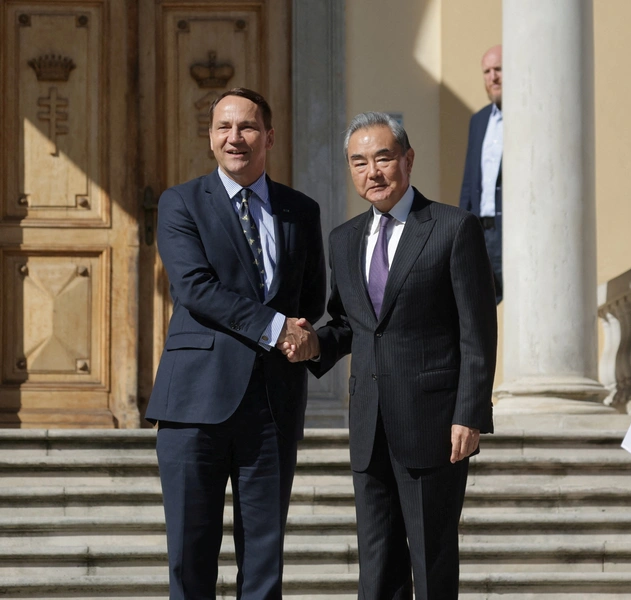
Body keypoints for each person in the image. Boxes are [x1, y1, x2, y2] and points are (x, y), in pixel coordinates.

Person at [287, 112, 497, 599]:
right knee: (377, 565)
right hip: (368, 425)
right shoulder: (344, 239)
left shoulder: (453, 228)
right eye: (359, 162)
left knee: (431, 560)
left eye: (383, 158)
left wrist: (469, 413)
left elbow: (477, 332)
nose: (372, 172)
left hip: (434, 425)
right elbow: (350, 324)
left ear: (408, 159)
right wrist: (315, 343)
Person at [146, 87, 326, 600]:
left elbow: (310, 298)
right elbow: (194, 288)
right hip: (194, 405)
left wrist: (304, 337)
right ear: (210, 138)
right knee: (191, 561)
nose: (235, 137)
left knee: (265, 567)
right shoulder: (181, 202)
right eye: (223, 127)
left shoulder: (301, 210)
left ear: (269, 136)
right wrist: (276, 329)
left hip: (272, 406)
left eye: (247, 126)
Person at [459, 44, 503, 304]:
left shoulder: (527, 117)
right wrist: (462, 229)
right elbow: (469, 182)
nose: (492, 77)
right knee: (478, 303)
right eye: (487, 71)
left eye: (499, 69)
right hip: (480, 231)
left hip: (511, 231)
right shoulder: (479, 120)